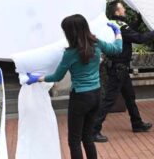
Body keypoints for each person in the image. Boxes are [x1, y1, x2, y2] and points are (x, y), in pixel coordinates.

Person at [33, 14, 123, 159]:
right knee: (87, 136)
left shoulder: (70, 54)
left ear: (70, 33)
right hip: (96, 94)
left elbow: (56, 77)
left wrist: (38, 78)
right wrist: (117, 32)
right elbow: (117, 49)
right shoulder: (96, 43)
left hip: (80, 97)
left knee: (74, 140)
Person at [92, 0, 154, 143]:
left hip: (120, 68)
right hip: (119, 68)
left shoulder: (113, 23)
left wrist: (138, 21)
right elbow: (138, 38)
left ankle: (137, 123)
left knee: (130, 97)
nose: (125, 10)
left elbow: (128, 32)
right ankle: (93, 130)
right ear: (116, 12)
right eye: (122, 8)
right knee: (109, 100)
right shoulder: (121, 26)